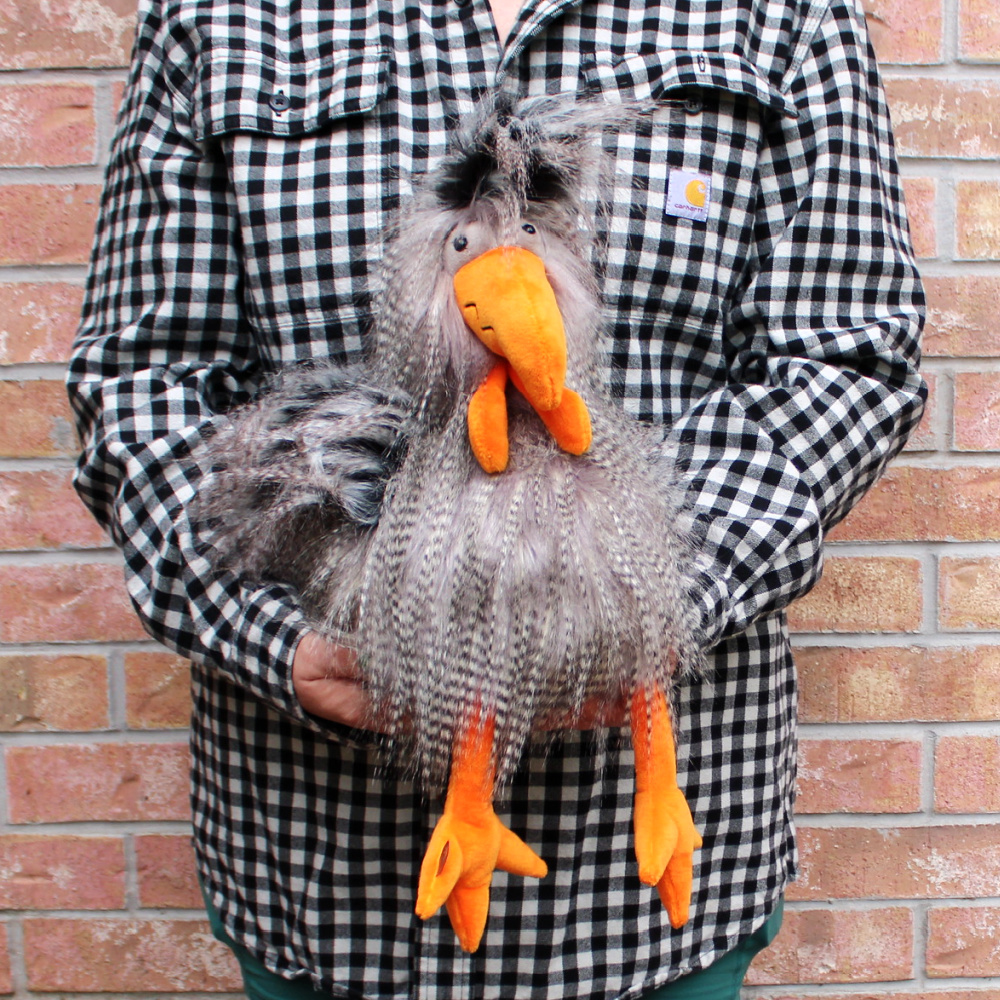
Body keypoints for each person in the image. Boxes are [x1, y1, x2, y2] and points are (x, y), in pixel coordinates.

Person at [66, 0, 926, 996]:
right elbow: (143, 384)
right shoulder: (217, 15)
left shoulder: (784, 14)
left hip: (655, 886)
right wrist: (279, 636)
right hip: (325, 868)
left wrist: (606, 591)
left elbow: (848, 354)